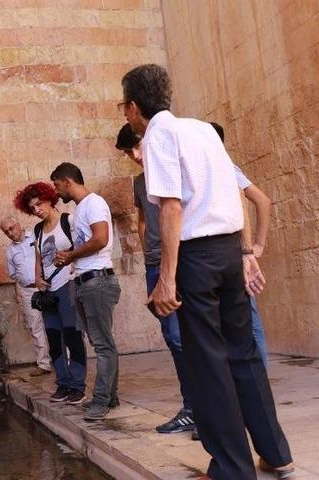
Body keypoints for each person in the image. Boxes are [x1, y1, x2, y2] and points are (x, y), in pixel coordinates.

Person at [121, 64, 294, 479]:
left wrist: (167, 278)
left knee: (208, 364)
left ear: (133, 107)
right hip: (229, 250)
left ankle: (233, 469)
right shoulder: (201, 129)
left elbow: (171, 208)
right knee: (243, 353)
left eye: (123, 107)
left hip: (196, 256)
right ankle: (276, 453)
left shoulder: (158, 135)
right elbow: (234, 194)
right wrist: (245, 252)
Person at [115, 124, 195, 434]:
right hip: (153, 263)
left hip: (179, 259)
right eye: (129, 152)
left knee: (187, 335)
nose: (135, 155)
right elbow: (143, 220)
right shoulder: (139, 183)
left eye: (137, 146)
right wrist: (148, 253)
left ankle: (203, 408)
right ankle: (193, 406)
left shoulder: (173, 168)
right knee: (173, 337)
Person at [49, 163, 122, 421]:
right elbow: (87, 243)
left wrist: (71, 255)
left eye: (56, 185)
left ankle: (101, 401)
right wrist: (70, 257)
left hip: (97, 281)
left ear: (67, 181)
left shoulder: (94, 203)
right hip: (84, 281)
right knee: (101, 343)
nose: (56, 191)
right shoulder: (80, 209)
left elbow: (100, 239)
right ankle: (109, 396)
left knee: (102, 344)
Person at [13, 182, 87, 405]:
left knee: (73, 335)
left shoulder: (68, 221)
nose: (37, 210)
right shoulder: (37, 230)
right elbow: (38, 258)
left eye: (39, 204)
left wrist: (73, 265)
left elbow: (82, 246)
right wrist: (38, 279)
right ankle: (63, 383)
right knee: (54, 338)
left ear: (49, 199)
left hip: (68, 285)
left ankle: (78, 386)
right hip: (48, 290)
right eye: (32, 207)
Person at [210, 122, 272, 368]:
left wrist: (258, 246)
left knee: (248, 320)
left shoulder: (224, 167)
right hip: (229, 254)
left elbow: (262, 201)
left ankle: (260, 378)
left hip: (235, 254)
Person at [0, 216, 52, 376]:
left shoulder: (36, 236)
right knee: (35, 327)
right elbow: (14, 275)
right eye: (6, 231)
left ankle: (66, 360)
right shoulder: (10, 251)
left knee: (56, 322)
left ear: (18, 225)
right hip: (27, 290)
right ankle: (44, 364)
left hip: (46, 286)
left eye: (11, 228)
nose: (10, 233)